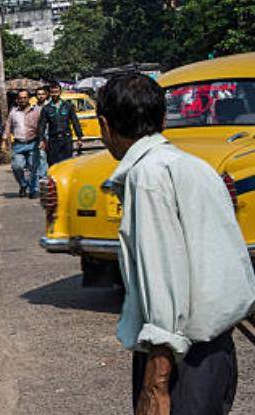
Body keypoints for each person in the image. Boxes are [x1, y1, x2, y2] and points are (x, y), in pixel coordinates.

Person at [98, 74, 255, 415]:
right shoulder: (197, 166)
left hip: (182, 361)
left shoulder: (147, 176)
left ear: (104, 126)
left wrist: (156, 386)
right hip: (216, 353)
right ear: (163, 119)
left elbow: (163, 281)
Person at [2, 89, 41, 198]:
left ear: (29, 98)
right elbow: (8, 127)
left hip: (33, 143)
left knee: (33, 167)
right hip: (19, 145)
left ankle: (33, 190)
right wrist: (4, 142)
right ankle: (23, 184)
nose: (23, 100)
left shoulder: (37, 110)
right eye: (20, 98)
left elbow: (42, 126)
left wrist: (43, 140)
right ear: (17, 100)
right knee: (17, 166)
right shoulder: (13, 112)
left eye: (25, 98)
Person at [37, 82, 82, 165]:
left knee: (67, 163)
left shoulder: (68, 106)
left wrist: (79, 137)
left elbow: (75, 121)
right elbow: (42, 125)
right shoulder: (46, 108)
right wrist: (41, 140)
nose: (54, 94)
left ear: (60, 92)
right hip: (53, 141)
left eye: (56, 92)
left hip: (66, 139)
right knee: (54, 164)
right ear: (49, 93)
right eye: (52, 92)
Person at [34, 86, 50, 185]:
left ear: (46, 95)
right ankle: (43, 176)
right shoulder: (34, 108)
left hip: (51, 134)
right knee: (41, 155)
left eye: (42, 94)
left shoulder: (50, 106)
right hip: (40, 136)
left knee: (51, 156)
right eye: (38, 94)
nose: (40, 96)